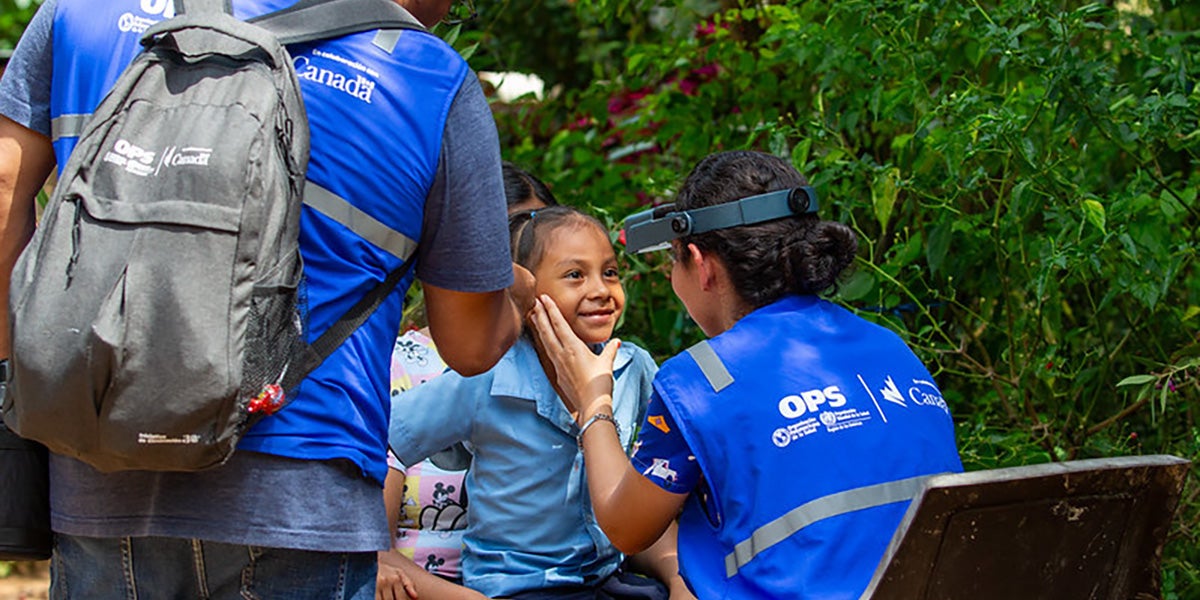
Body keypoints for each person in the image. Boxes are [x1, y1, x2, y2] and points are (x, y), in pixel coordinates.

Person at [0, 1, 530, 598]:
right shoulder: (427, 77)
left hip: (99, 462)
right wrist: (519, 297)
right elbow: (469, 344)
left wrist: (29, 374)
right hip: (300, 489)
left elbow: (4, 198)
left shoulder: (83, 12)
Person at [530, 150, 964, 598]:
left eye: (672, 262)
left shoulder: (705, 380)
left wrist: (592, 399)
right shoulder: (889, 346)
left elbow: (625, 527)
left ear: (700, 263)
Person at [386, 205, 692, 599]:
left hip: (605, 577)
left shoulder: (633, 368)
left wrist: (676, 576)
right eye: (575, 275)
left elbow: (652, 483)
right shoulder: (487, 377)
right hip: (519, 586)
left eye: (610, 272)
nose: (601, 290)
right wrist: (378, 551)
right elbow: (387, 442)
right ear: (528, 293)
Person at [375, 162, 559, 600]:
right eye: (511, 239)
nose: (523, 263)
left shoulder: (570, 370)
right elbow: (370, 548)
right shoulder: (397, 367)